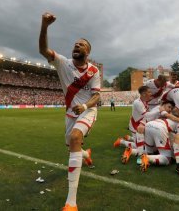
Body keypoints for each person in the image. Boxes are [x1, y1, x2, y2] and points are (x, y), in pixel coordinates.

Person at [39, 12, 101, 211]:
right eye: (75, 43)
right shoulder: (63, 63)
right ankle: (86, 154)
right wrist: (44, 25)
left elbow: (97, 96)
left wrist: (84, 106)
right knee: (72, 147)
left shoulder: (94, 71)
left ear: (88, 52)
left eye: (82, 44)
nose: (77, 45)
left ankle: (71, 202)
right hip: (69, 114)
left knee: (75, 137)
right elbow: (43, 50)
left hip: (87, 111)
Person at [138, 101, 179, 180]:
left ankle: (138, 154)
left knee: (150, 151)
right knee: (167, 159)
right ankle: (147, 158)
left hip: (149, 125)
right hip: (159, 128)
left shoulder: (165, 116)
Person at [114, 86, 151, 164]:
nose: (151, 93)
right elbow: (147, 115)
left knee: (145, 145)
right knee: (142, 147)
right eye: (149, 92)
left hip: (142, 125)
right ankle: (123, 144)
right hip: (135, 126)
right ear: (144, 94)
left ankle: (127, 139)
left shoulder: (146, 101)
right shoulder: (138, 102)